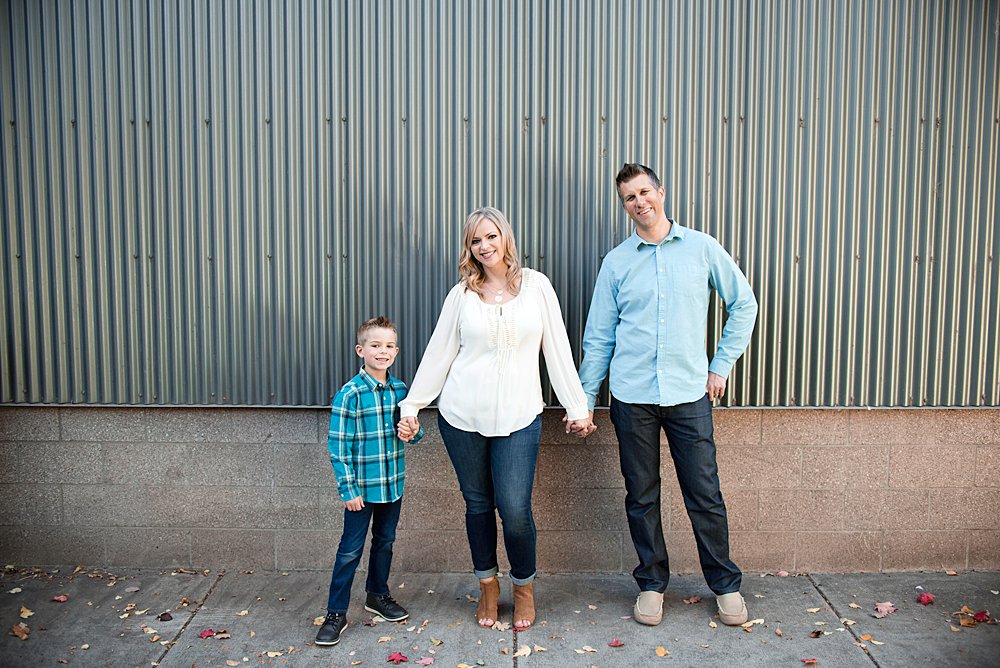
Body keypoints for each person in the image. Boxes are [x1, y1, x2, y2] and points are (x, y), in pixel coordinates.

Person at [574, 162, 757, 627]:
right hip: (632, 398)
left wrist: (720, 366)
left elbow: (744, 304)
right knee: (641, 494)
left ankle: (726, 585)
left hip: (687, 395)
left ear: (661, 191)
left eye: (644, 192)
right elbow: (599, 338)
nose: (639, 202)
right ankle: (652, 585)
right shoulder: (617, 262)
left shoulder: (701, 248)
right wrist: (585, 400)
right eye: (629, 198)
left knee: (705, 492)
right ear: (624, 207)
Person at [397, 206, 595, 631]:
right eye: (475, 240)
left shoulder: (537, 287)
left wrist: (577, 408)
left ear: (505, 236)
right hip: (461, 415)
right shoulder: (461, 295)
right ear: (468, 247)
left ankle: (522, 587)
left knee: (516, 508)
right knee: (478, 506)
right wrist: (411, 406)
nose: (484, 246)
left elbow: (556, 349)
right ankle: (487, 586)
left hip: (520, 417)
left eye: (490, 236)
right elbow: (439, 353)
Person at [315, 316, 423, 647]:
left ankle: (377, 595)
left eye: (389, 346)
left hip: (392, 484)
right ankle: (336, 613)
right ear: (361, 350)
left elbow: (411, 433)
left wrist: (413, 432)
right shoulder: (350, 394)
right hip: (361, 491)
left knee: (385, 542)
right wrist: (347, 489)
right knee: (350, 550)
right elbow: (338, 446)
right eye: (375, 345)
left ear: (397, 351)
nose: (383, 351)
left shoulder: (402, 390)